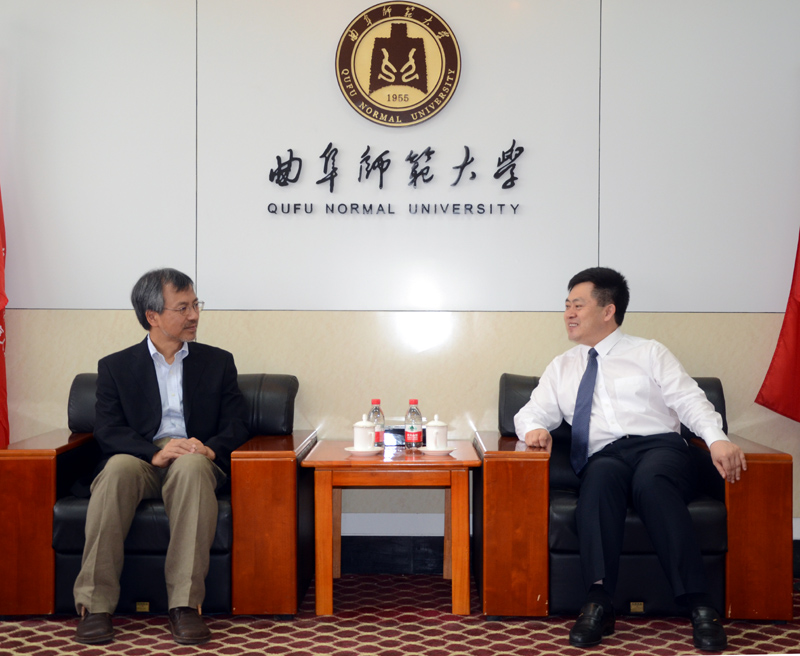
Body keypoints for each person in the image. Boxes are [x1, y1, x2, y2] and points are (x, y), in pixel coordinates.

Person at [514, 267, 746, 652]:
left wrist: (717, 439)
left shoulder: (649, 352)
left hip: (660, 448)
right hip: (605, 456)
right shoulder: (562, 366)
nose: (568, 313)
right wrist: (534, 429)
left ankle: (700, 605)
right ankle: (598, 602)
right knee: (598, 483)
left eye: (578, 305)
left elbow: (689, 400)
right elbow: (530, 413)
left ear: (608, 310)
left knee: (653, 484)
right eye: (566, 305)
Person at [73, 268, 249, 645]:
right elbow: (108, 430)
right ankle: (95, 606)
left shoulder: (218, 362)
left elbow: (237, 423)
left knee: (192, 467)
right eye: (182, 308)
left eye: (196, 305)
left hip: (194, 457)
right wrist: (153, 453)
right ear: (152, 315)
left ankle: (185, 606)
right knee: (116, 470)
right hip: (141, 458)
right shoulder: (115, 367)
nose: (194, 315)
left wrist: (209, 448)